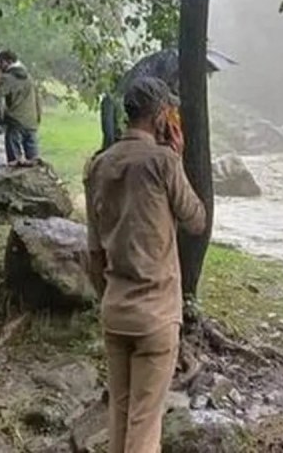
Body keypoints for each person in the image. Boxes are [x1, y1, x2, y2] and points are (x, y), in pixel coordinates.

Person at [83, 77, 206, 453]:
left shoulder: (98, 166)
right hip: (155, 313)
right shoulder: (163, 162)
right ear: (159, 117)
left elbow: (93, 253)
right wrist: (179, 160)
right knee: (145, 425)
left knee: (119, 414)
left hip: (115, 309)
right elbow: (196, 220)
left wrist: (109, 294)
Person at [0, 50, 41, 163]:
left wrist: (0, 118)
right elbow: (37, 100)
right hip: (31, 122)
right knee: (34, 161)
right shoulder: (29, 77)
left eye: (1, 62)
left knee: (14, 162)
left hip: (15, 122)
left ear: (9, 61)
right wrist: (37, 118)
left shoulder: (7, 78)